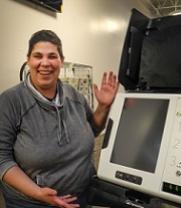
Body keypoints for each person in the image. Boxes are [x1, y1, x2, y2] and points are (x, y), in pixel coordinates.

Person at [0, 30, 119, 208]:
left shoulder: (74, 96)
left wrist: (103, 107)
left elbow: (93, 129)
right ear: (28, 60)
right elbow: (2, 159)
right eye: (38, 56)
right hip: (34, 203)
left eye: (52, 56)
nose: (45, 63)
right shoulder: (11, 101)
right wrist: (38, 193)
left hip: (82, 196)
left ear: (61, 61)